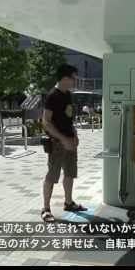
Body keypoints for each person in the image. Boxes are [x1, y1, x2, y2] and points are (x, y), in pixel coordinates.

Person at [41, 64, 87, 222]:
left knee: (70, 173)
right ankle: (46, 209)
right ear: (65, 78)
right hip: (57, 143)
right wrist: (63, 139)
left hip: (70, 142)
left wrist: (74, 135)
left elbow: (68, 119)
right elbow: (46, 122)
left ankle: (68, 202)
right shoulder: (52, 96)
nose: (75, 81)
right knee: (52, 175)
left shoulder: (67, 94)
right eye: (74, 78)